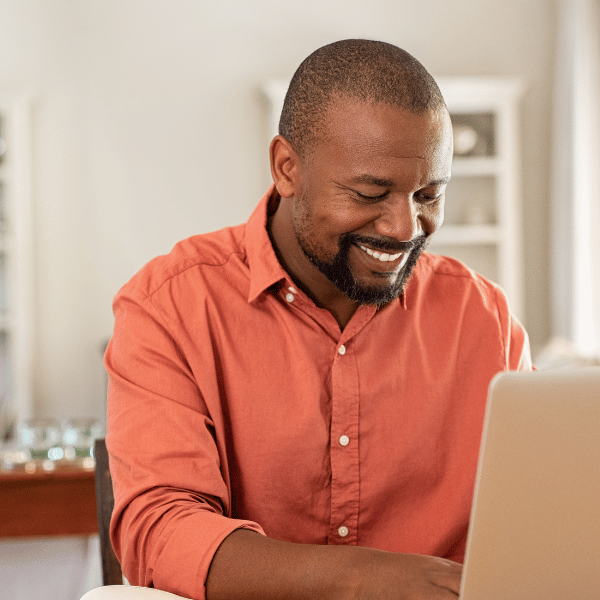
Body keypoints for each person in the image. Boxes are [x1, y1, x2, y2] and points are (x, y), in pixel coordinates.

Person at [103, 39, 532, 600]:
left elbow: (536, 523)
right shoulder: (169, 305)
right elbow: (161, 533)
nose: (406, 228)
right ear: (287, 167)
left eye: (429, 194)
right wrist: (367, 579)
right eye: (370, 192)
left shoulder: (486, 320)